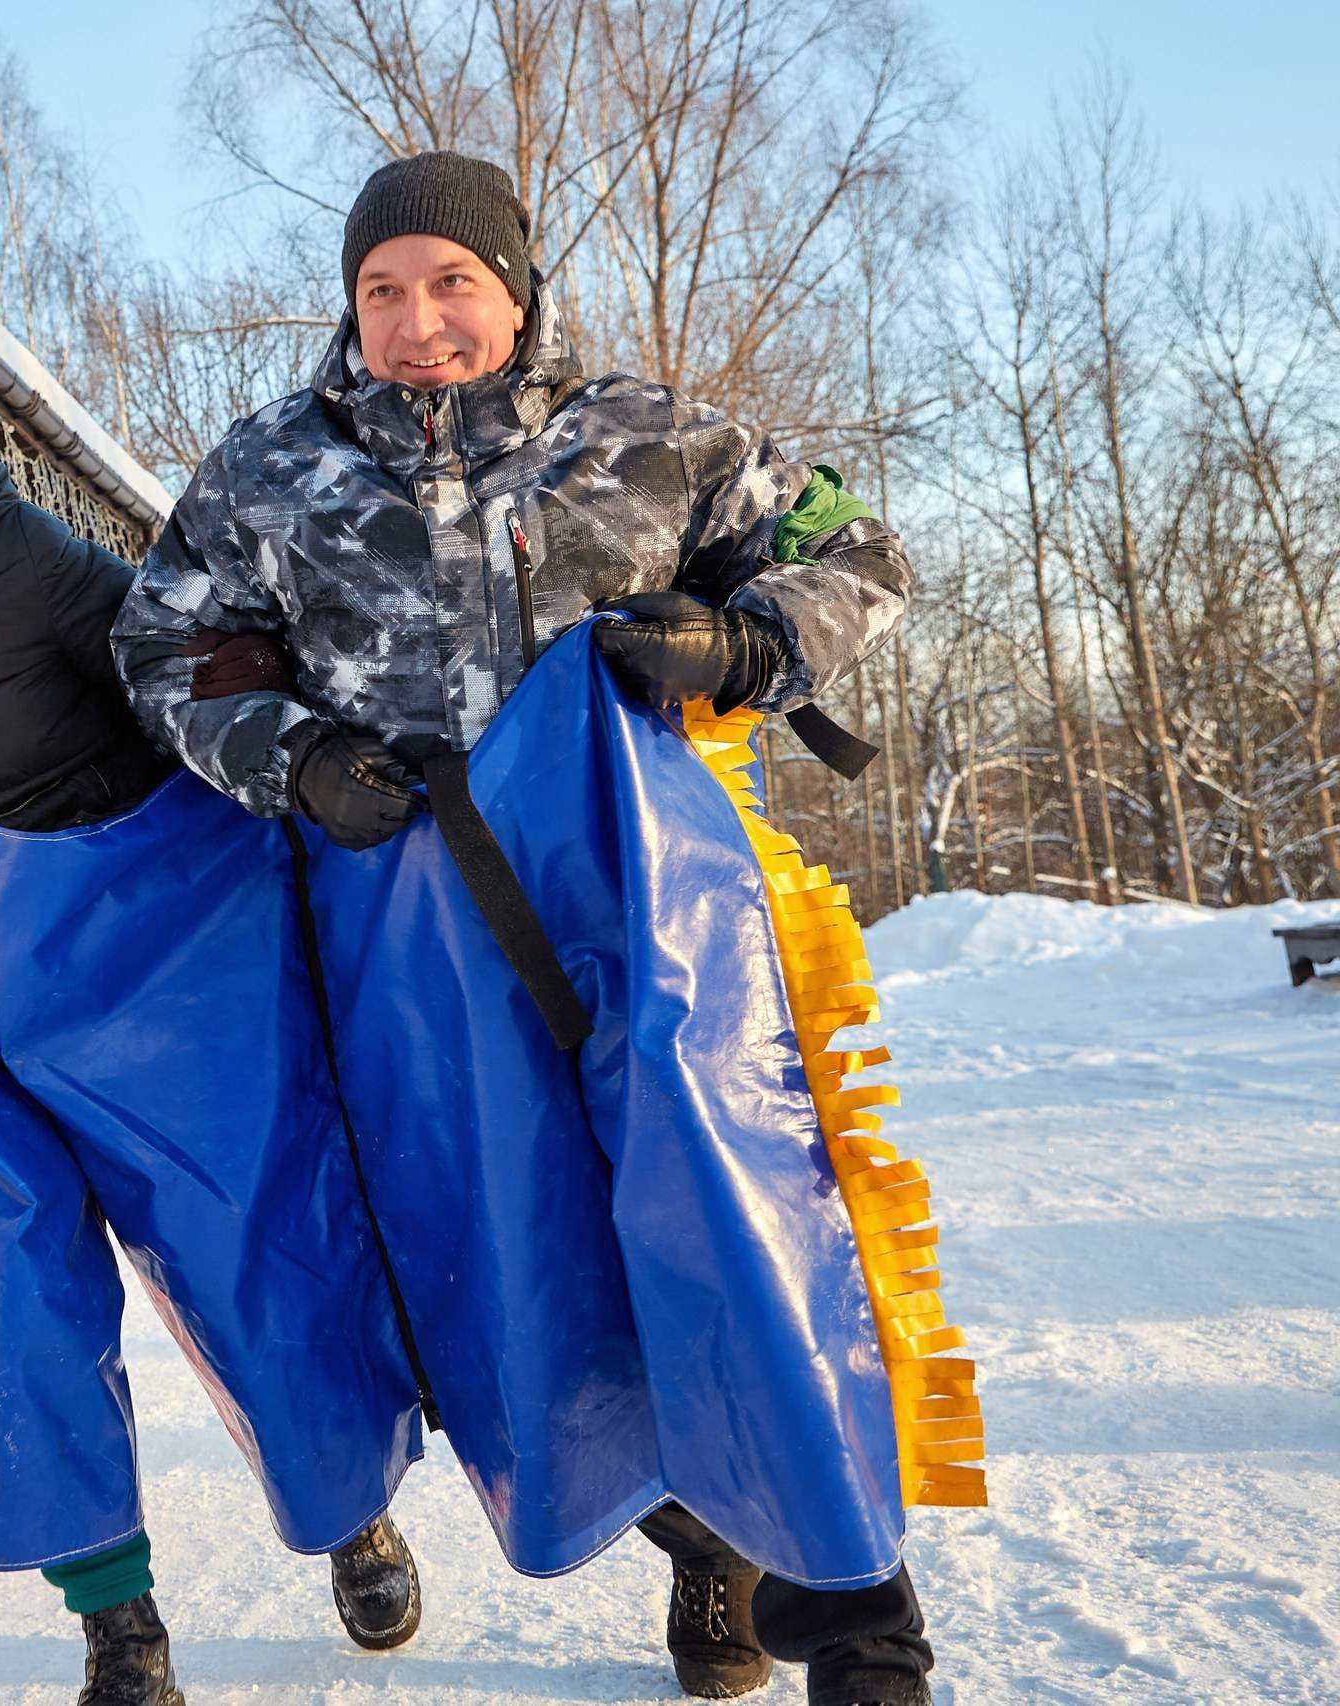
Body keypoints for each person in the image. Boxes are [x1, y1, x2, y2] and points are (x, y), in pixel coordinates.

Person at [114, 152, 939, 1706]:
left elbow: (865, 556)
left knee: (735, 1227)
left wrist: (750, 639)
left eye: (452, 286)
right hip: (411, 940)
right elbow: (161, 646)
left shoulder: (647, 437)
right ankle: (694, 1536)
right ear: (350, 309)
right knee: (512, 1274)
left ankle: (855, 1612)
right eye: (383, 292)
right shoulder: (266, 470)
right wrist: (287, 755)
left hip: (646, 910)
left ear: (517, 291)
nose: (420, 322)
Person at [0, 299, 426, 1706]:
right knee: (2, 1297)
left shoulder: (27, 563)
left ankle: (350, 1514)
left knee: (244, 1246)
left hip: (123, 969)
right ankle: (120, 1624)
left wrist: (225, 833)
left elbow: (181, 679)